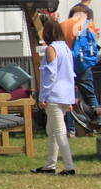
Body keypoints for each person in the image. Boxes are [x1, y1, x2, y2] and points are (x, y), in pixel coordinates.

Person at [32, 17, 76, 175]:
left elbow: (50, 75)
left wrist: (42, 96)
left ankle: (69, 166)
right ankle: (50, 165)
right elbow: (70, 74)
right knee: (52, 130)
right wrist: (71, 98)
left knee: (58, 131)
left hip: (54, 95)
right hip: (65, 95)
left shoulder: (51, 49)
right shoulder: (66, 48)